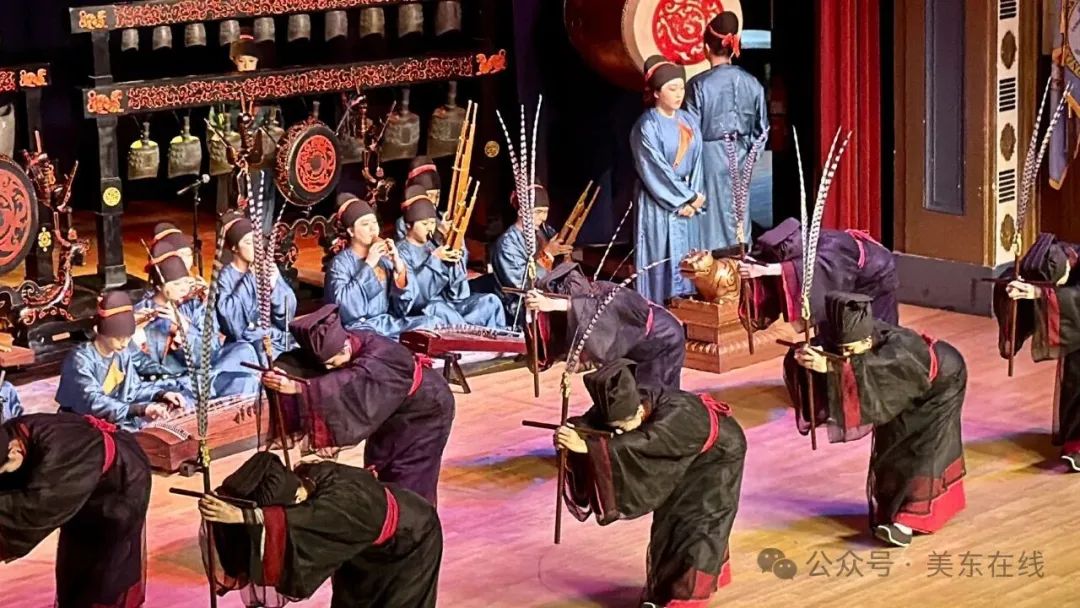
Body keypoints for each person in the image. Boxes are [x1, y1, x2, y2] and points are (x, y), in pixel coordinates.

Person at [556, 359, 744, 607]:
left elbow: (641, 444)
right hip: (687, 455)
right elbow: (594, 426)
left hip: (718, 459)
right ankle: (663, 591)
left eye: (624, 428)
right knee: (668, 522)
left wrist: (588, 448)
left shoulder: (676, 417)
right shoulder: (625, 401)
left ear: (638, 413)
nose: (621, 433)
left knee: (699, 525)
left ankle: (682, 600)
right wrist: (572, 431)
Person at [785, 292, 967, 547]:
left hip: (941, 384)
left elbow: (871, 371)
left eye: (850, 350)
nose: (845, 354)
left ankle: (910, 520)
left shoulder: (898, 352)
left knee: (924, 448)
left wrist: (831, 367)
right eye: (841, 350)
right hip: (904, 389)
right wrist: (804, 357)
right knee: (891, 443)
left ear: (868, 340)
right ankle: (893, 509)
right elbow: (843, 361)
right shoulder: (842, 336)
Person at [264, 304, 455, 504]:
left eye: (332, 363)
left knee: (409, 475)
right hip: (391, 410)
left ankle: (415, 519)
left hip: (426, 410)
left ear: (345, 347)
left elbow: (348, 382)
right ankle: (387, 515)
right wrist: (281, 370)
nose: (329, 369)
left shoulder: (378, 358)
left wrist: (298, 387)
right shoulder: (340, 345)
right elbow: (306, 362)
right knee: (380, 465)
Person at [199, 452, 442, 607]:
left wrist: (243, 516)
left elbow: (293, 521)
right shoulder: (305, 478)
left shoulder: (335, 507)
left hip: (412, 538)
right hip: (362, 544)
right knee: (352, 600)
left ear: (296, 498)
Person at [0, 412, 151, 607]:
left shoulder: (56, 467)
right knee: (74, 562)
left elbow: (25, 515)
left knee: (104, 572)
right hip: (83, 475)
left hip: (121, 486)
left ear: (14, 451)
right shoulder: (15, 431)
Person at [527, 261, 685, 389]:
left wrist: (556, 304)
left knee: (655, 395)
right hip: (634, 346)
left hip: (663, 339)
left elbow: (590, 312)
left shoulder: (608, 298)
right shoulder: (586, 303)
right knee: (625, 394)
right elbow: (589, 325)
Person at [726, 217, 899, 333]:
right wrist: (752, 262)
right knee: (832, 326)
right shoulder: (798, 245)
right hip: (849, 279)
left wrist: (766, 270)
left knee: (876, 329)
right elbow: (768, 256)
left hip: (877, 278)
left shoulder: (831, 248)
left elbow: (810, 268)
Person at [685, 11, 768, 249]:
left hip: (707, 159)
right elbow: (762, 131)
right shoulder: (753, 83)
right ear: (733, 49)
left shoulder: (698, 85)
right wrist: (750, 157)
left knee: (708, 224)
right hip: (741, 156)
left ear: (706, 48)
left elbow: (690, 134)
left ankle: (711, 267)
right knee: (738, 216)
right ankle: (740, 261)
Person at [138, 241, 261, 398]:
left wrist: (185, 329)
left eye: (186, 282)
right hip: (173, 383)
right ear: (158, 287)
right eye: (177, 284)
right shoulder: (141, 313)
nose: (184, 288)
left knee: (244, 352)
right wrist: (140, 332)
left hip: (204, 371)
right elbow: (143, 366)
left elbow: (211, 350)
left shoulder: (193, 304)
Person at [999, 233, 1080, 470]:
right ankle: (1075, 441)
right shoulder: (1055, 257)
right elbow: (1018, 280)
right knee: (1075, 380)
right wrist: (1014, 289)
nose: (1054, 290)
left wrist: (1039, 294)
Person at [56, 291, 192, 432]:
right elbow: (92, 401)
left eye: (128, 338)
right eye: (118, 338)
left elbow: (133, 389)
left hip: (113, 418)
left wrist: (161, 394)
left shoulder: (121, 353)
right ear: (98, 330)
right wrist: (140, 409)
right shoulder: (80, 359)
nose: (125, 344)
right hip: (79, 423)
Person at [631, 55, 704, 305]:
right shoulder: (646, 126)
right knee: (659, 258)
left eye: (681, 88)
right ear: (656, 92)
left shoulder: (689, 121)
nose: (679, 94)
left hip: (687, 205)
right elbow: (654, 168)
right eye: (672, 89)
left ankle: (687, 306)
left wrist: (695, 198)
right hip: (658, 202)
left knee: (688, 258)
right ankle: (657, 310)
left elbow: (698, 163)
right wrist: (685, 198)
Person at [326, 193, 446, 338]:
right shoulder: (339, 264)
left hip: (386, 324)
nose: (372, 229)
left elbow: (402, 309)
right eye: (365, 224)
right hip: (358, 328)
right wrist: (369, 264)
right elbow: (344, 310)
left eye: (374, 223)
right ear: (351, 231)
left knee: (433, 323)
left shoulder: (384, 259)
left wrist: (398, 266)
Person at [396, 184, 506, 329]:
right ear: (408, 225)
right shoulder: (400, 252)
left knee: (490, 302)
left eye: (432, 223)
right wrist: (435, 260)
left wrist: (455, 249)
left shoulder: (433, 245)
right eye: (424, 224)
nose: (429, 228)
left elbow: (457, 293)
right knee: (439, 309)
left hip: (448, 304)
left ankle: (493, 339)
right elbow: (414, 298)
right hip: (424, 309)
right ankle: (470, 336)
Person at [216, 210, 297, 359]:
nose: (255, 247)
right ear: (234, 248)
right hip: (245, 341)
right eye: (248, 242)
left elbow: (287, 315)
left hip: (273, 335)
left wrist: (275, 284)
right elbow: (231, 322)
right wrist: (249, 278)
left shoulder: (265, 268)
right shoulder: (226, 277)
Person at [491, 184, 571, 326]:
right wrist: (548, 254)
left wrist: (565, 254)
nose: (543, 218)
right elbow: (522, 283)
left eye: (545, 212)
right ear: (522, 212)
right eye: (538, 212)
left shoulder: (545, 231)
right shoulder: (507, 243)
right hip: (519, 308)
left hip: (549, 298)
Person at [394, 156, 450, 243]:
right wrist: (438, 233)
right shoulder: (404, 223)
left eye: (437, 196)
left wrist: (449, 235)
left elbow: (462, 250)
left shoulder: (444, 217)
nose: (434, 201)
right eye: (429, 195)